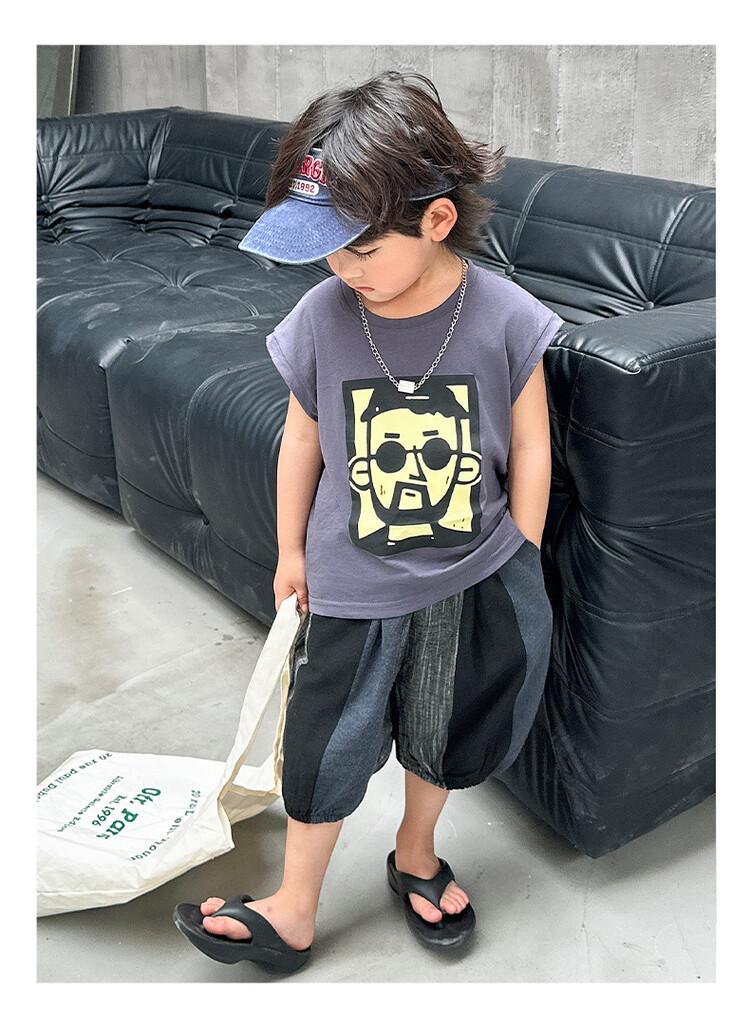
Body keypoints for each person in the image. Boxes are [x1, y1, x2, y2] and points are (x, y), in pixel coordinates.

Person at [174, 70, 563, 972]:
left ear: (436, 219)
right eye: (324, 253)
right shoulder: (323, 316)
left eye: (358, 249)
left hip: (474, 571)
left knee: (447, 724)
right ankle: (295, 904)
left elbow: (531, 442)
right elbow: (301, 438)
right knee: (326, 737)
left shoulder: (507, 317)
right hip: (351, 582)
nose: (341, 271)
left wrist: (525, 545)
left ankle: (416, 854)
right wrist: (289, 548)